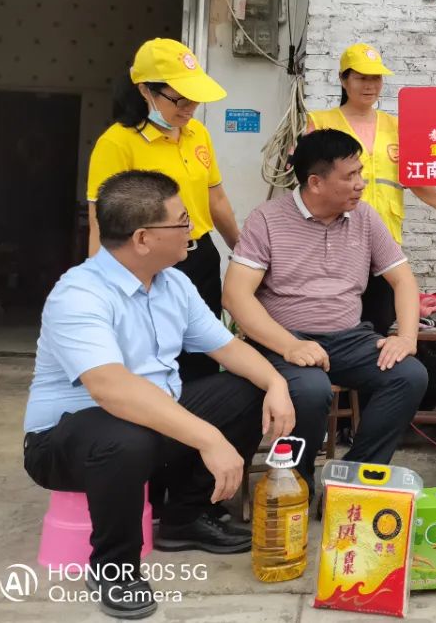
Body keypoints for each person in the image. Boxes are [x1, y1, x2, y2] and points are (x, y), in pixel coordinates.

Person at [23, 171, 295, 620]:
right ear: (143, 238)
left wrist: (277, 384)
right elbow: (110, 389)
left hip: (148, 425)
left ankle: (185, 518)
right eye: (183, 221)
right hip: (66, 443)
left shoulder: (174, 283)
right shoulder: (79, 293)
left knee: (246, 390)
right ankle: (115, 568)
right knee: (123, 436)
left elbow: (226, 348)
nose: (192, 230)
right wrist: (208, 438)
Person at [223, 129, 429, 492]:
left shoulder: (365, 217)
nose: (361, 184)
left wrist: (406, 336)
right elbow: (236, 296)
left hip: (348, 338)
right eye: (350, 176)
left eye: (360, 173)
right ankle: (296, 485)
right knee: (311, 390)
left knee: (409, 375)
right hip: (282, 340)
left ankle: (352, 479)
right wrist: (290, 345)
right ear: (315, 182)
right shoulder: (267, 219)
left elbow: (403, 280)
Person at [87, 38, 240, 383]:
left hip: (200, 258)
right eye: (179, 99)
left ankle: (199, 416)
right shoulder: (117, 143)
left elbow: (216, 200)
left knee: (202, 359)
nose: (190, 108)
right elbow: (100, 223)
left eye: (195, 98)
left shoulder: (197, 133)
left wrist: (245, 254)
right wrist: (100, 286)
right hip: (148, 266)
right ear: (145, 90)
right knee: (152, 360)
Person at [307, 43, 436, 335]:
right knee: (332, 322)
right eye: (361, 77)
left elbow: (415, 180)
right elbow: (306, 184)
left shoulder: (397, 127)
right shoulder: (320, 123)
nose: (370, 85)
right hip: (334, 239)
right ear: (343, 80)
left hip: (384, 240)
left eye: (376, 78)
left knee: (379, 320)